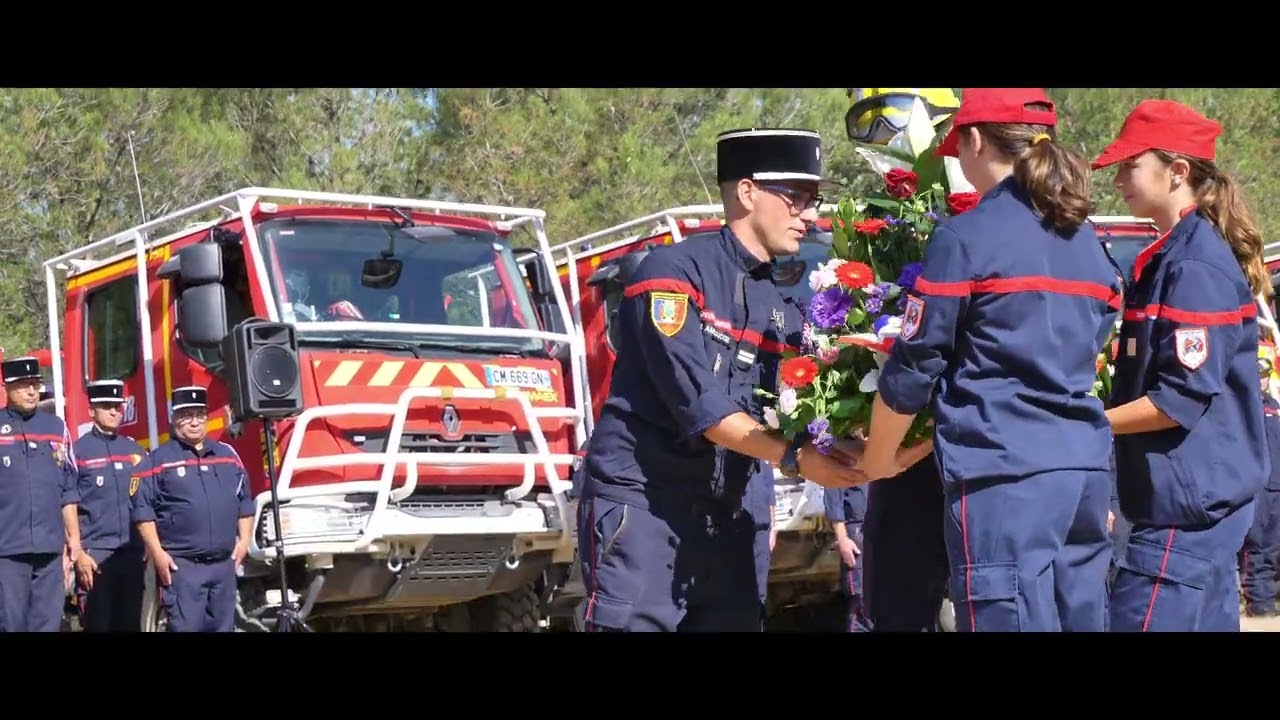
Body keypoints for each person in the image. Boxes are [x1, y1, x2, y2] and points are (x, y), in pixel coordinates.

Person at [574, 127, 870, 632]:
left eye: (813, 200)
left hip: (735, 514)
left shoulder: (781, 302)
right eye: (796, 198)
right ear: (747, 192)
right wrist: (799, 459)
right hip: (647, 507)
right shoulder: (671, 273)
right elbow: (699, 402)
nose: (810, 214)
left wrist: (862, 440)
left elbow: (799, 407)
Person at [856, 88, 1122, 632]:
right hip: (1082, 474)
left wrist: (880, 458)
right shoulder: (1088, 241)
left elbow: (916, 364)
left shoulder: (968, 235)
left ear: (975, 140)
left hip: (1003, 475)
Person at [1093, 98, 1270, 632]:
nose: (1119, 178)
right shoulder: (1174, 254)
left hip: (1182, 514)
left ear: (1177, 172)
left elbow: (1180, 398)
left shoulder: (1193, 264)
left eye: (1131, 165)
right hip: (1192, 505)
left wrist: (1086, 420)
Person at [131, 386, 254, 632]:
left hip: (223, 565)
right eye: (187, 415)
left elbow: (244, 501)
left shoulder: (227, 455)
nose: (195, 422)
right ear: (174, 417)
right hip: (184, 568)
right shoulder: (157, 461)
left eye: (200, 414)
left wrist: (244, 541)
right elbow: (143, 512)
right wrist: (157, 554)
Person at [0, 356, 79, 631]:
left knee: (48, 623)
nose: (33, 391)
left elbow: (68, 487)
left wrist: (74, 538)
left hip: (50, 548)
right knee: (11, 623)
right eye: (24, 385)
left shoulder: (55, 428)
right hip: (7, 550)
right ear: (7, 387)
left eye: (35, 384)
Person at [65, 379, 148, 632]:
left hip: (133, 555)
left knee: (131, 625)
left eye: (118, 406)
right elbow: (68, 503)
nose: (114, 411)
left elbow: (147, 501)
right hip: (96, 557)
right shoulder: (78, 452)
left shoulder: (136, 451)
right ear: (91, 411)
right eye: (106, 406)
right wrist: (78, 553)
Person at [1239, 353, 1280, 618]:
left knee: (1273, 545)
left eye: (1265, 377)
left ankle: (1267, 598)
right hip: (1255, 486)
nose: (1262, 382)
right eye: (1258, 377)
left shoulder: (1274, 405)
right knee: (1256, 546)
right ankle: (1258, 602)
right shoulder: (1243, 406)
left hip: (1276, 485)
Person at [823, 484, 869, 631]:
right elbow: (833, 499)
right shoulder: (841, 462)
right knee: (860, 603)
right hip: (855, 533)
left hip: (878, 530)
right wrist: (842, 539)